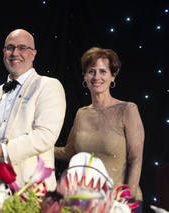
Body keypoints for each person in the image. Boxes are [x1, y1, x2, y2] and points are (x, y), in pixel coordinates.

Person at [54, 47, 144, 210]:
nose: (96, 77)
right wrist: (38, 148)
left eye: (103, 71)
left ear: (112, 76)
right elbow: (70, 152)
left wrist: (126, 200)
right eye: (91, 71)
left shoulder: (128, 109)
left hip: (120, 204)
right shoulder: (82, 113)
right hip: (87, 204)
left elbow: (135, 159)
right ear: (85, 77)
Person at [0, 29, 66, 191]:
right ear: (3, 52)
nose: (15, 53)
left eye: (22, 48)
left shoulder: (48, 85)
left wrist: (2, 150)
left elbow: (45, 135)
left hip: (33, 188)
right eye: (10, 47)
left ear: (33, 54)